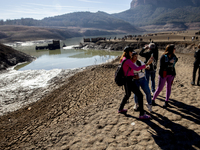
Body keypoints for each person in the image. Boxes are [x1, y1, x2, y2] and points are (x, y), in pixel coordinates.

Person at [118, 46, 153, 119]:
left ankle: (120, 109)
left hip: (126, 80)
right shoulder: (127, 60)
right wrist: (146, 64)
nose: (131, 53)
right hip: (129, 80)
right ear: (128, 52)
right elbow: (136, 68)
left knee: (127, 95)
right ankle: (142, 114)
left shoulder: (123, 59)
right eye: (131, 52)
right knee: (140, 95)